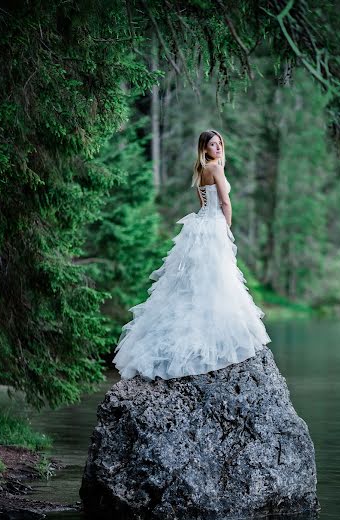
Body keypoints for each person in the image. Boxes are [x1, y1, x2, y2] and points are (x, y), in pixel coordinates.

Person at [112, 129, 271, 381]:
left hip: (201, 225)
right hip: (214, 225)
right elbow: (226, 202)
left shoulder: (200, 169)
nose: (217, 148)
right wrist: (226, 227)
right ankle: (213, 336)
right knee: (218, 278)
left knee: (197, 280)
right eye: (212, 144)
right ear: (204, 148)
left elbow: (202, 203)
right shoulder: (216, 169)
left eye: (219, 143)